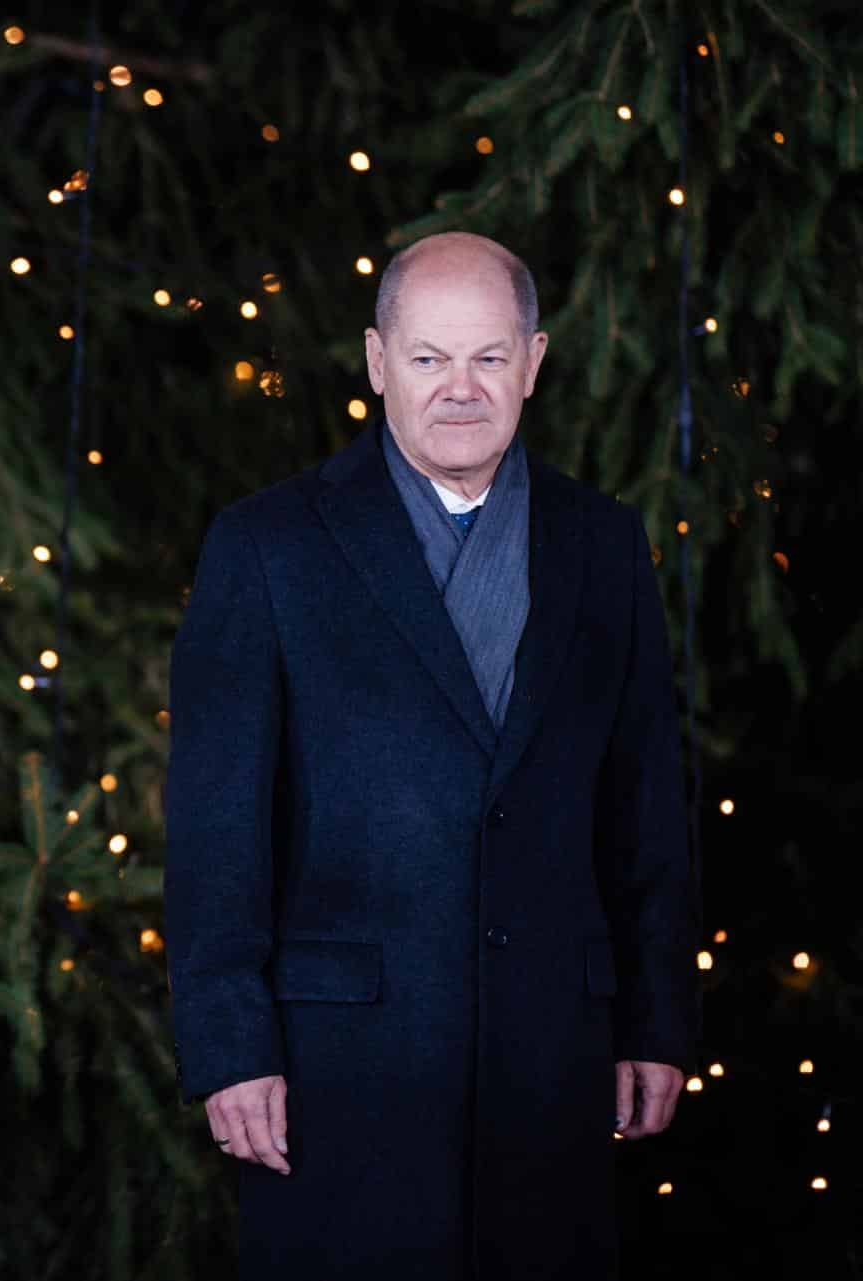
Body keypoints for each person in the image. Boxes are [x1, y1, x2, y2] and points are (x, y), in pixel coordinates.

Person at [162, 231, 701, 1280]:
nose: (461, 389)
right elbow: (216, 823)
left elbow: (645, 805)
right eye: (427, 359)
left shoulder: (606, 545)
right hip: (338, 1064)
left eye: (489, 358)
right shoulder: (267, 545)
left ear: (534, 363)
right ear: (375, 362)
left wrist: (657, 1020)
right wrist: (230, 1046)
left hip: (554, 1054)